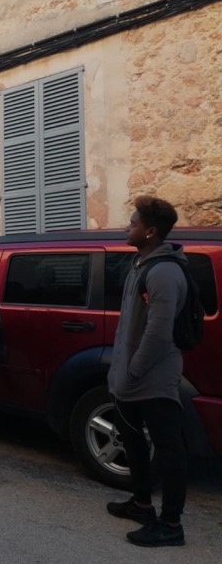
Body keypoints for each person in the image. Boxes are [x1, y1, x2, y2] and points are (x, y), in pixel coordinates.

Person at [105, 196, 188, 547]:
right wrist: (120, 371)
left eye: (133, 223)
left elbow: (158, 332)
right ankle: (142, 504)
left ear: (150, 231)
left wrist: (133, 371)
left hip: (153, 379)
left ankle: (171, 525)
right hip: (130, 377)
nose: (127, 228)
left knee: (168, 450)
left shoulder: (164, 271)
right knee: (133, 439)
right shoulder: (141, 263)